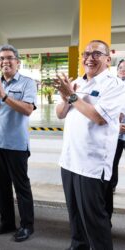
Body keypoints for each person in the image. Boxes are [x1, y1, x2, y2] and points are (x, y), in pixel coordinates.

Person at [55, 40, 125, 250]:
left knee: (95, 223)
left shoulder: (115, 85)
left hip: (91, 167)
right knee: (75, 220)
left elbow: (98, 117)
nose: (89, 58)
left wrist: (72, 95)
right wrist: (66, 96)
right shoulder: (77, 82)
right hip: (68, 162)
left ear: (107, 59)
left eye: (96, 54)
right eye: (86, 54)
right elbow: (60, 113)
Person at [0, 44, 36, 242]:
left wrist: (4, 95)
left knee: (21, 187)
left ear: (18, 62)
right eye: (2, 58)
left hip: (16, 145)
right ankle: (7, 222)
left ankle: (27, 226)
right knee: (2, 186)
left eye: (9, 58)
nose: (5, 61)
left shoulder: (27, 83)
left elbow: (28, 109)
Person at [105, 59, 125, 221]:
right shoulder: (113, 86)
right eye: (120, 68)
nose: (122, 70)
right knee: (112, 163)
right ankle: (111, 186)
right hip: (117, 134)